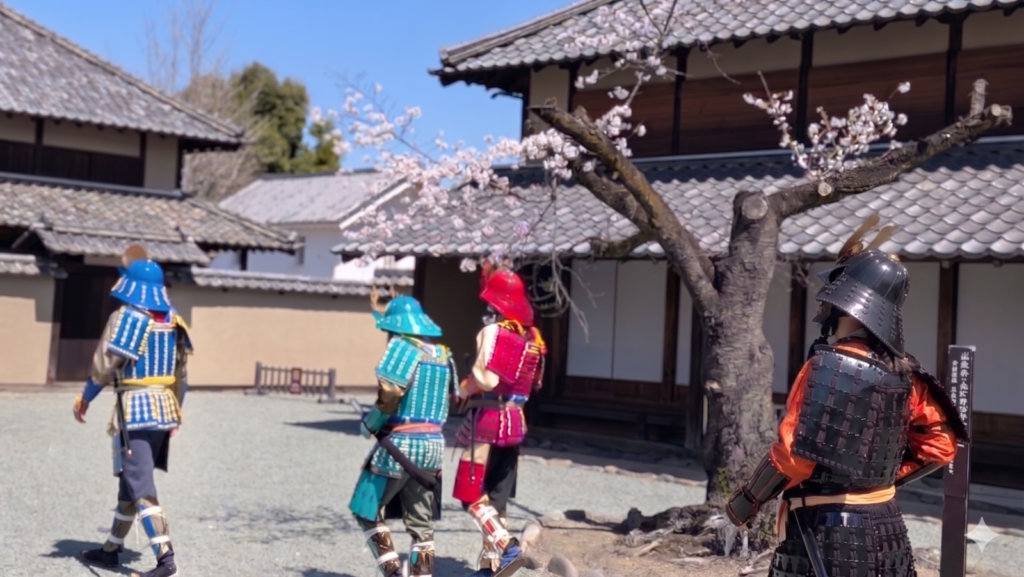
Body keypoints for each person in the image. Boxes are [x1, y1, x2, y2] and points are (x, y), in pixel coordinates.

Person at [725, 216, 969, 577]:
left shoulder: (824, 366)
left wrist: (747, 502)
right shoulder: (907, 374)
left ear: (845, 300)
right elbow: (941, 446)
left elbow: (794, 458)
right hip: (887, 528)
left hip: (823, 529)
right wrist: (881, 478)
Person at [74, 245, 192, 577]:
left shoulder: (126, 318)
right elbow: (182, 376)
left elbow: (104, 365)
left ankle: (166, 560)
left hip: (136, 411)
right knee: (129, 483)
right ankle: (111, 550)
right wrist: (177, 412)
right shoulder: (174, 321)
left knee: (141, 486)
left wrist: (85, 397)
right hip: (164, 409)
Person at [349, 288, 455, 577]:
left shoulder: (401, 347)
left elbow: (391, 391)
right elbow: (453, 398)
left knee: (365, 508)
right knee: (422, 526)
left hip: (399, 444)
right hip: (433, 447)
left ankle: (393, 571)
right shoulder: (444, 356)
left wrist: (371, 422)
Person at [452, 264, 547, 577]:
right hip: (515, 422)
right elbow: (533, 385)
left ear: (494, 304)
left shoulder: (494, 333)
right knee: (496, 500)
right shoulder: (534, 340)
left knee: (471, 496)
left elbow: (486, 379)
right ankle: (489, 568)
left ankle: (507, 547)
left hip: (487, 422)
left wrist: (461, 389)